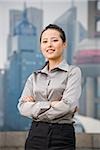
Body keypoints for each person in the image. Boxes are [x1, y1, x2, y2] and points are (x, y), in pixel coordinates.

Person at [17, 24, 81, 150]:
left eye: (55, 40)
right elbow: (22, 107)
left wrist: (35, 106)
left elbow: (68, 106)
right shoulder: (34, 77)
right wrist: (51, 104)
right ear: (41, 46)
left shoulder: (73, 72)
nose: (49, 45)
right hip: (35, 135)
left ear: (64, 44)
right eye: (45, 41)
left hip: (62, 136)